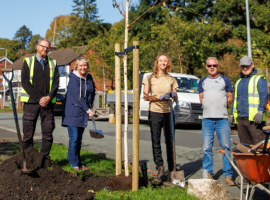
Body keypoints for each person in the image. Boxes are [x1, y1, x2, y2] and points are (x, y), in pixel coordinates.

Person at [197, 57, 235, 186]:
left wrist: (222, 108)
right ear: (206, 67)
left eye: (214, 65)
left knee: (225, 147)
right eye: (209, 65)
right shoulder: (202, 81)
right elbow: (201, 98)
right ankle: (208, 173)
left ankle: (228, 175)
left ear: (218, 66)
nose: (212, 67)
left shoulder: (225, 80)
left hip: (222, 119)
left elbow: (230, 97)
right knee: (207, 147)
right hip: (207, 119)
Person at [21, 38, 59, 157]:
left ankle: (43, 160)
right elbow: (25, 83)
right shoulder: (28, 62)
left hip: (48, 105)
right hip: (31, 103)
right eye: (42, 46)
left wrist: (48, 98)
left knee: (48, 134)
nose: (45, 49)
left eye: (47, 47)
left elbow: (56, 83)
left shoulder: (53, 63)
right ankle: (27, 160)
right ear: (37, 47)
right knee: (28, 135)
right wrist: (40, 98)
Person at [142, 53, 178, 180]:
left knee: (170, 140)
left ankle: (172, 166)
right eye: (161, 60)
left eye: (165, 61)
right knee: (156, 139)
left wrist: (173, 94)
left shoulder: (172, 79)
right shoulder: (150, 78)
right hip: (155, 111)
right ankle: (160, 166)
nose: (163, 63)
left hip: (168, 112)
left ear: (168, 63)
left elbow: (176, 97)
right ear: (157, 63)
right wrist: (159, 97)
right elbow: (145, 96)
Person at [62, 57, 95, 170]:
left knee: (79, 140)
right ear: (76, 66)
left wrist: (91, 104)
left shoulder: (89, 77)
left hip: (83, 113)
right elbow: (77, 98)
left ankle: (78, 162)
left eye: (85, 65)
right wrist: (88, 110)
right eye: (81, 65)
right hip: (72, 112)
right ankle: (73, 163)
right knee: (74, 138)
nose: (83, 67)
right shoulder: (73, 79)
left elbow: (92, 91)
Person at [230, 56, 268, 145]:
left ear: (252, 65)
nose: (245, 68)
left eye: (247, 66)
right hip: (241, 119)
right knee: (245, 147)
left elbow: (264, 96)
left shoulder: (259, 80)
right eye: (243, 66)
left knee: (258, 147)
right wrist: (232, 113)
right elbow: (236, 99)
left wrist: (260, 111)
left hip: (255, 120)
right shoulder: (238, 82)